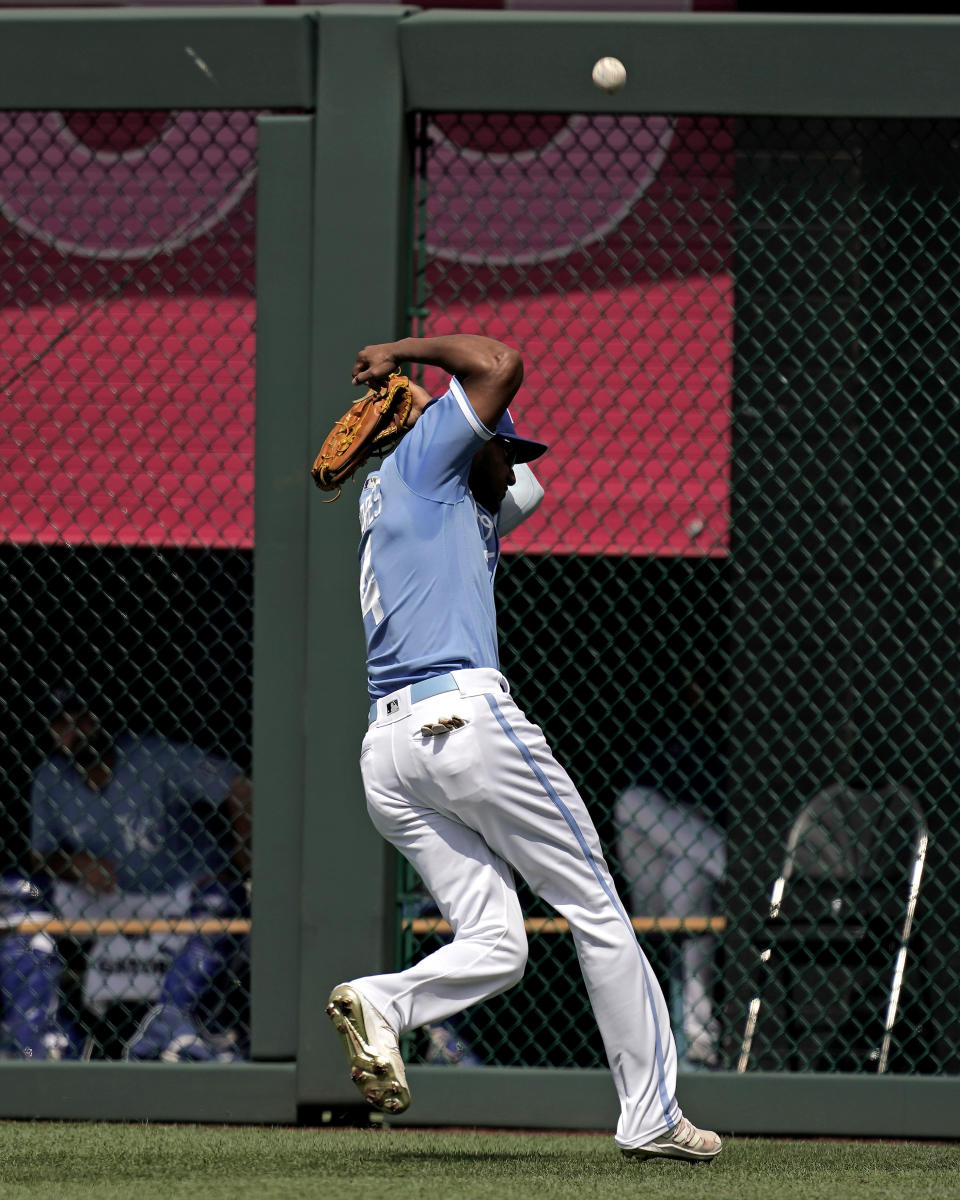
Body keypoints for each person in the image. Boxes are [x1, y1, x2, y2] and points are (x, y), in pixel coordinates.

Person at [324, 333, 721, 1163]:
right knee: (599, 909)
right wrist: (412, 355)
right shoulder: (430, 460)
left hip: (389, 755)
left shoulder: (422, 498)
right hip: (464, 721)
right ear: (463, 441)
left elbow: (527, 487)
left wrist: (469, 437)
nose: (512, 462)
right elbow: (499, 363)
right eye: (502, 445)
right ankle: (649, 1112)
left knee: (499, 943)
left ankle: (380, 1002)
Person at [0, 686, 250, 1061]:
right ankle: (42, 1038)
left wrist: (242, 861)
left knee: (220, 898)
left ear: (99, 720)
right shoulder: (49, 778)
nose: (73, 731)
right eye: (61, 724)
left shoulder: (151, 757)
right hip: (101, 899)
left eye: (80, 718)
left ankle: (174, 1029)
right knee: (15, 894)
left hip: (176, 892)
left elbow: (239, 787)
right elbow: (41, 857)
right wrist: (74, 864)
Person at [614, 668, 727, 1069]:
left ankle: (698, 1041)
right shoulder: (661, 738)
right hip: (651, 884)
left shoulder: (728, 739)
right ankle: (730, 864)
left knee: (686, 873)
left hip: (691, 885)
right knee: (632, 803)